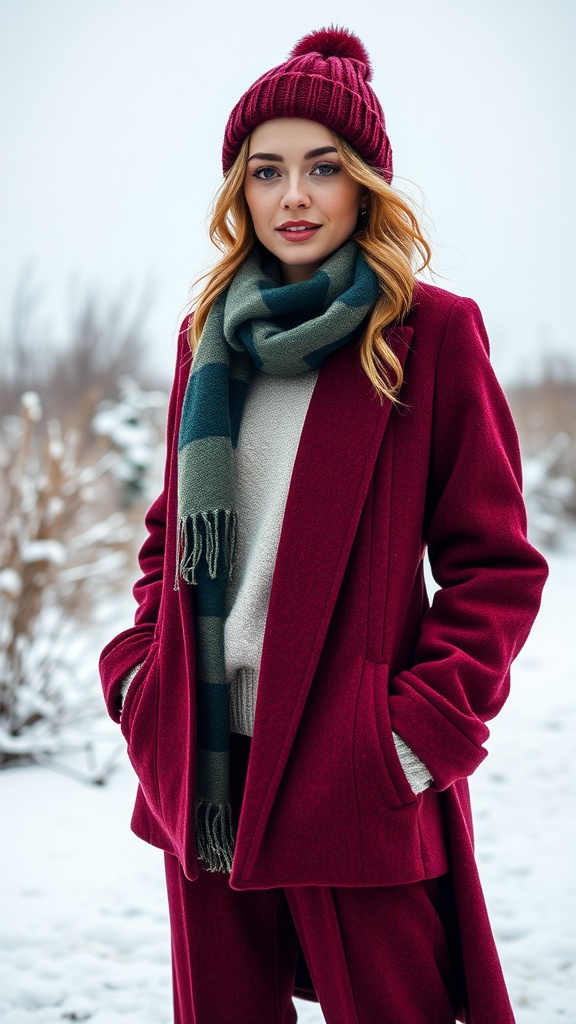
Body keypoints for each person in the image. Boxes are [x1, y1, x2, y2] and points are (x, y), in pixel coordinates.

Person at [99, 26, 548, 1024]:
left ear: (365, 185)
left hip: (351, 770)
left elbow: (496, 567)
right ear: (241, 190)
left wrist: (415, 737)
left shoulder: (430, 333)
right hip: (204, 758)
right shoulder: (208, 341)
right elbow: (171, 537)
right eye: (267, 171)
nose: (293, 195)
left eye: (323, 167)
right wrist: (139, 677)